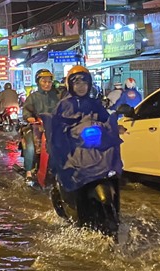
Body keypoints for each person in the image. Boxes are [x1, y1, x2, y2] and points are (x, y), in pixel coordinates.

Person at [49, 65, 123, 199]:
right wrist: (73, 132)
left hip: (96, 148)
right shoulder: (63, 105)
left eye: (84, 82)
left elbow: (106, 119)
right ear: (70, 85)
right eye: (77, 83)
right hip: (75, 147)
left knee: (111, 156)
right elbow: (57, 128)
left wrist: (113, 126)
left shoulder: (95, 103)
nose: (81, 86)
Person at [21, 69, 61, 181]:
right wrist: (30, 117)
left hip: (56, 127)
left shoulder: (58, 96)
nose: (47, 84)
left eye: (49, 81)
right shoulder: (33, 97)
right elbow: (26, 111)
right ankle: (29, 171)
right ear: (38, 82)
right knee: (30, 147)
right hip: (37, 127)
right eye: (44, 81)